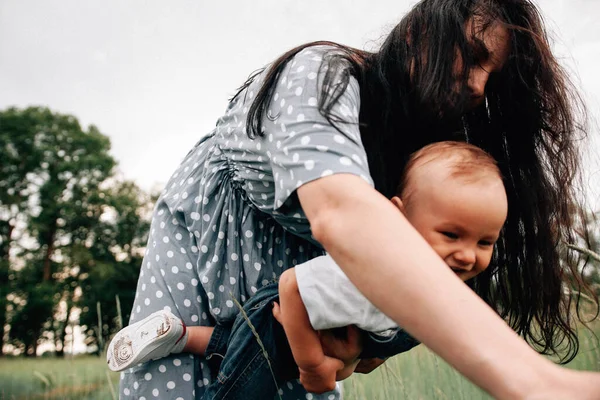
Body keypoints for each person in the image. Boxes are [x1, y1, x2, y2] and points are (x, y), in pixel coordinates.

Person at [119, 0, 600, 399]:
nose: (477, 86)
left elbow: (413, 270)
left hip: (307, 280)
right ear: (418, 32)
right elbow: (340, 212)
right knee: (183, 379)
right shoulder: (321, 75)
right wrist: (534, 382)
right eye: (473, 56)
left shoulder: (422, 156)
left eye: (492, 80)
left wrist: (366, 342)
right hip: (215, 238)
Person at [109, 141, 508, 399]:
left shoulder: (436, 296)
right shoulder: (372, 277)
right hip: (286, 319)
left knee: (232, 346)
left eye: (484, 242)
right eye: (451, 234)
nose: (468, 255)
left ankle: (176, 335)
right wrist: (312, 365)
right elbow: (292, 287)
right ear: (398, 219)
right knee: (243, 386)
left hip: (289, 334)